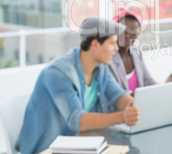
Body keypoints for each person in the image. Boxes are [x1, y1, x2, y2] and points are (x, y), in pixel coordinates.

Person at [16, 17, 141, 154]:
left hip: (80, 145)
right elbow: (78, 120)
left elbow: (118, 96)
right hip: (46, 148)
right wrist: (123, 117)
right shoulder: (58, 72)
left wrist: (134, 106)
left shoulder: (101, 68)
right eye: (112, 43)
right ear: (95, 44)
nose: (116, 49)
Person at [108, 8, 157, 95]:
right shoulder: (108, 57)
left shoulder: (136, 52)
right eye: (124, 31)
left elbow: (148, 81)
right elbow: (112, 92)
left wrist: (162, 90)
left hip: (140, 105)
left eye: (133, 32)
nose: (127, 36)